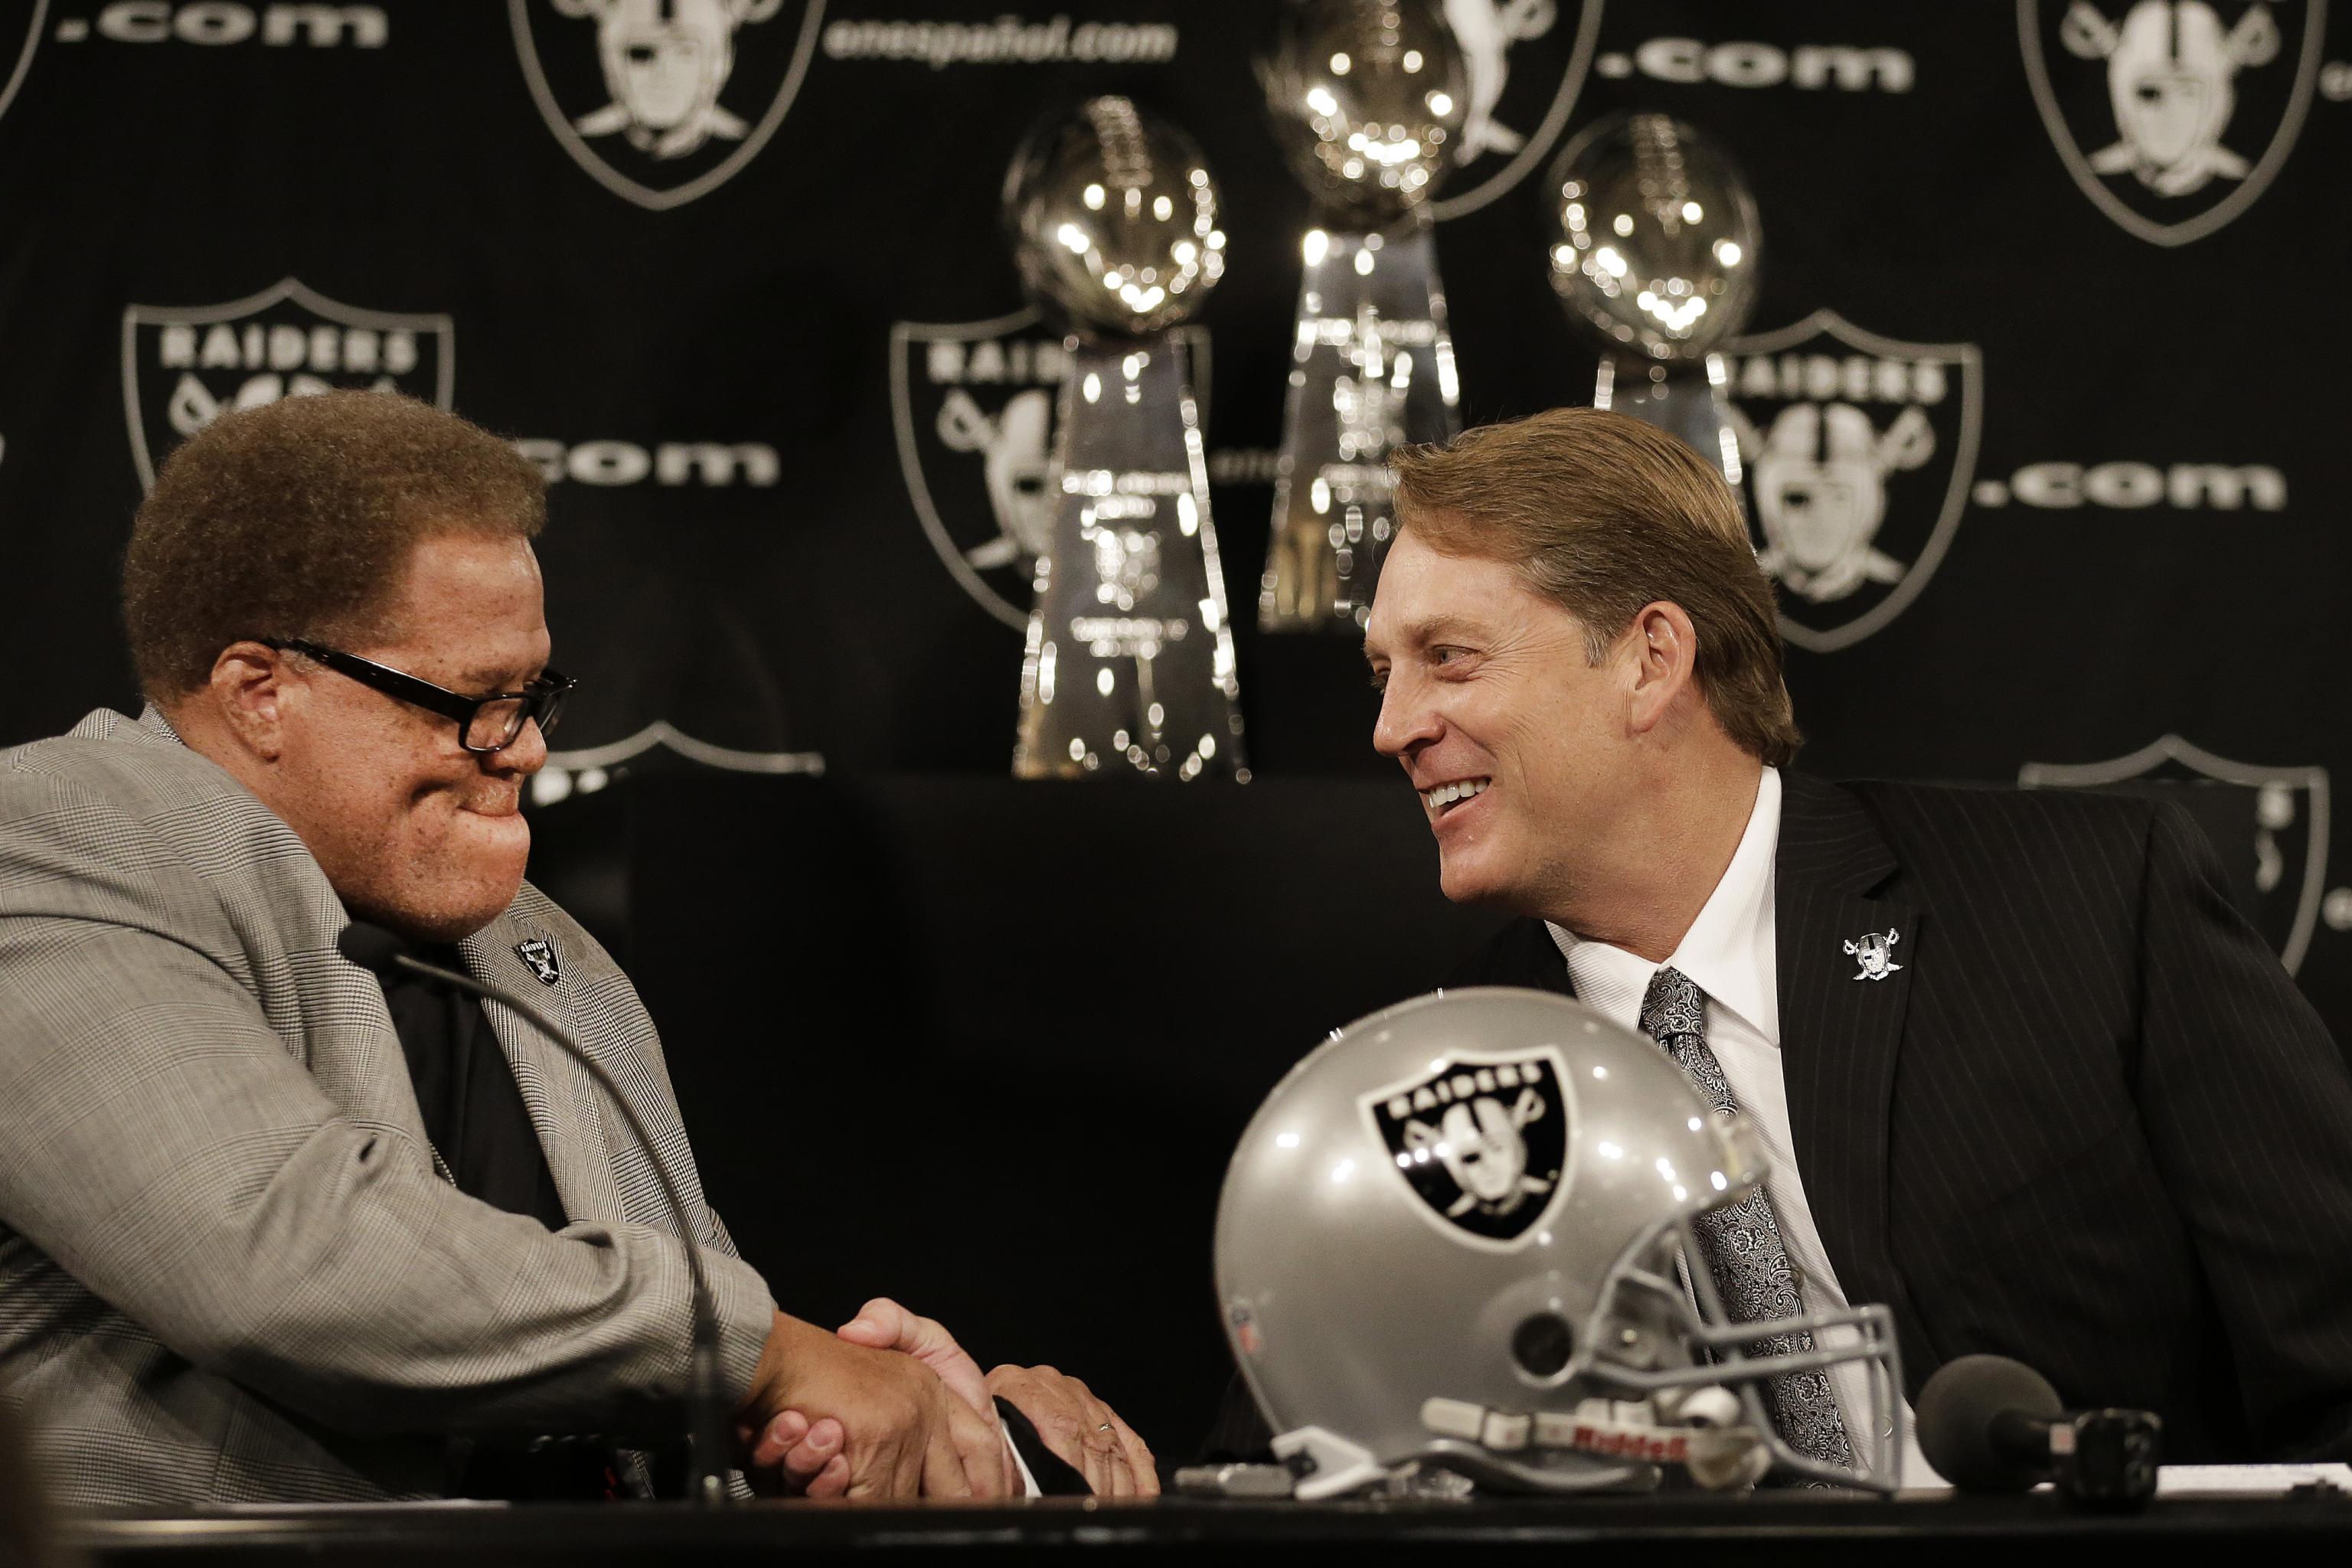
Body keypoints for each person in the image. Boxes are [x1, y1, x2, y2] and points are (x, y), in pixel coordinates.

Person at [0, 391, 1155, 1507]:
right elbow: (285, 1258)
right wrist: (773, 1361)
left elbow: (668, 1353)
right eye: (472, 701)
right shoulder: (52, 839)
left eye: (534, 693)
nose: (525, 751)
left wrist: (932, 1430)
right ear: (261, 692)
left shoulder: (546, 956)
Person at [1214, 406, 2352, 1483]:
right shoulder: (1432, 1088)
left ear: (1652, 659)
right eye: (1384, 673)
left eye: (1449, 659)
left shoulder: (2089, 903)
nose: (1391, 726)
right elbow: (1286, 1465)